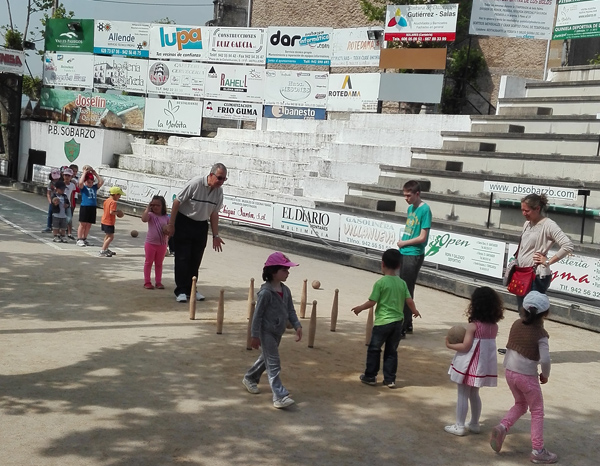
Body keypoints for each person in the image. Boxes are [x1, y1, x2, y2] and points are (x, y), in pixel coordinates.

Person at [490, 292, 557, 464]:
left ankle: (503, 426)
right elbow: (545, 359)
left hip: (509, 372)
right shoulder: (541, 334)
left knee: (520, 404)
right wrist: (545, 375)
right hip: (527, 377)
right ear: (546, 313)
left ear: (523, 309)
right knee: (537, 410)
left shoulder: (516, 324)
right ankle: (538, 450)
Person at [352, 248, 421, 388]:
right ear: (399, 266)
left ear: (382, 264)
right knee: (391, 351)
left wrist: (360, 308)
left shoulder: (380, 283)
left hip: (382, 322)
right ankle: (390, 379)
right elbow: (409, 300)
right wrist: (415, 311)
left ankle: (370, 376)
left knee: (374, 349)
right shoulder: (402, 283)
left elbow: (372, 302)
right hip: (398, 323)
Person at [242, 252, 303, 409]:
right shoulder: (265, 293)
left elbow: (291, 310)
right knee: (274, 363)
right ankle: (279, 396)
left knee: (266, 358)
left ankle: (250, 378)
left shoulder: (286, 290)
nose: (288, 272)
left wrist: (297, 325)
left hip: (278, 332)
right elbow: (257, 316)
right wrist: (255, 335)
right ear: (273, 272)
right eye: (284, 270)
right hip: (266, 332)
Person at [445, 286, 504, 436]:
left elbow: (465, 346)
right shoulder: (494, 327)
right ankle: (474, 423)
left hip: (469, 366)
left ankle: (459, 426)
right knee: (474, 394)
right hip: (482, 367)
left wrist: (449, 345)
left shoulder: (473, 326)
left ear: (475, 305)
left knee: (462, 393)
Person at [165, 163, 227, 303]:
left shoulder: (219, 192)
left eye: (224, 179)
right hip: (184, 222)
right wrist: (171, 224)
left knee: (196, 259)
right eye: (219, 178)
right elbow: (177, 202)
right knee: (182, 257)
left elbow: (214, 213)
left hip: (201, 225)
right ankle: (180, 290)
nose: (221, 181)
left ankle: (191, 289)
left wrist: (216, 235)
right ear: (211, 175)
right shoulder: (195, 183)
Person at [513, 193, 573, 308]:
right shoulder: (527, 224)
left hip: (536, 275)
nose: (524, 213)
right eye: (522, 210)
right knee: (522, 310)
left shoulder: (549, 225)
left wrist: (548, 261)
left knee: (533, 311)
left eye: (527, 211)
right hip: (522, 273)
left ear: (537, 209)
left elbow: (568, 245)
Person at [396, 180, 432, 338]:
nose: (406, 198)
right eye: (404, 195)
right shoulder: (410, 208)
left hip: (414, 253)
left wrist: (404, 242)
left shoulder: (425, 210)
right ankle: (408, 322)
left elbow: (422, 237)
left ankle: (402, 326)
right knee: (402, 287)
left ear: (417, 194)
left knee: (405, 289)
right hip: (404, 251)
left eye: (408, 195)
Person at [141, 196, 169, 289]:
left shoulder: (166, 217)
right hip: (150, 244)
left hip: (162, 244)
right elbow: (144, 219)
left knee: (159, 264)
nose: (155, 207)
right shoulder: (151, 215)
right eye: (153, 205)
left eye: (158, 205)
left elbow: (170, 229)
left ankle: (158, 282)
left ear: (163, 206)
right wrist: (147, 208)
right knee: (148, 262)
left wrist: (167, 231)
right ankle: (147, 282)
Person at [77, 167, 104, 247]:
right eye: (88, 182)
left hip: (92, 207)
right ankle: (79, 239)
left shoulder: (94, 187)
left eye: (92, 182)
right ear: (85, 181)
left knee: (89, 224)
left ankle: (84, 238)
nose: (90, 183)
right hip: (85, 206)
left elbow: (101, 182)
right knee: (83, 223)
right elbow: (80, 182)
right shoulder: (84, 188)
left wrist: (95, 174)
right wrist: (84, 173)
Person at [99, 186, 124, 257]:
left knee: (107, 236)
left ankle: (105, 248)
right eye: (119, 195)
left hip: (104, 220)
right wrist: (118, 212)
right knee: (111, 237)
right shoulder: (113, 202)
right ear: (115, 194)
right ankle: (103, 250)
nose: (120, 197)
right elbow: (111, 212)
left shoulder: (106, 200)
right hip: (109, 221)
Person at [42, 168, 62, 233]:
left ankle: (59, 227)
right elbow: (48, 193)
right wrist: (50, 201)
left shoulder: (61, 183)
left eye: (57, 178)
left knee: (59, 214)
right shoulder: (50, 184)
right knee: (50, 213)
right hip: (53, 200)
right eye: (54, 178)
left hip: (60, 200)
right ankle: (49, 226)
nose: (56, 179)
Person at [61, 167, 77, 241]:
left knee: (69, 219)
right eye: (65, 175)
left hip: (68, 204)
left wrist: (72, 203)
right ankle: (61, 233)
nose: (67, 177)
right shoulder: (61, 184)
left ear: (71, 177)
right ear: (63, 175)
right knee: (61, 218)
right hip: (61, 204)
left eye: (69, 176)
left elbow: (71, 194)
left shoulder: (72, 185)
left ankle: (69, 233)